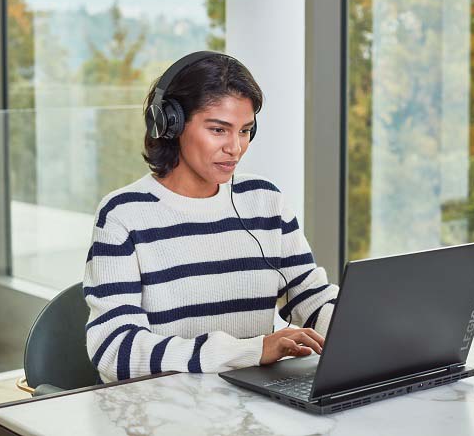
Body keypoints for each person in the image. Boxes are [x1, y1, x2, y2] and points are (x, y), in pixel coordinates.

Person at [84, 51, 339, 383]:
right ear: (170, 123)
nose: (235, 147)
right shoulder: (123, 215)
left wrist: (371, 331)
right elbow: (114, 350)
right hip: (162, 414)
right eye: (219, 130)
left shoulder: (265, 202)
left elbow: (313, 300)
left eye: (245, 131)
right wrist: (250, 350)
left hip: (249, 408)